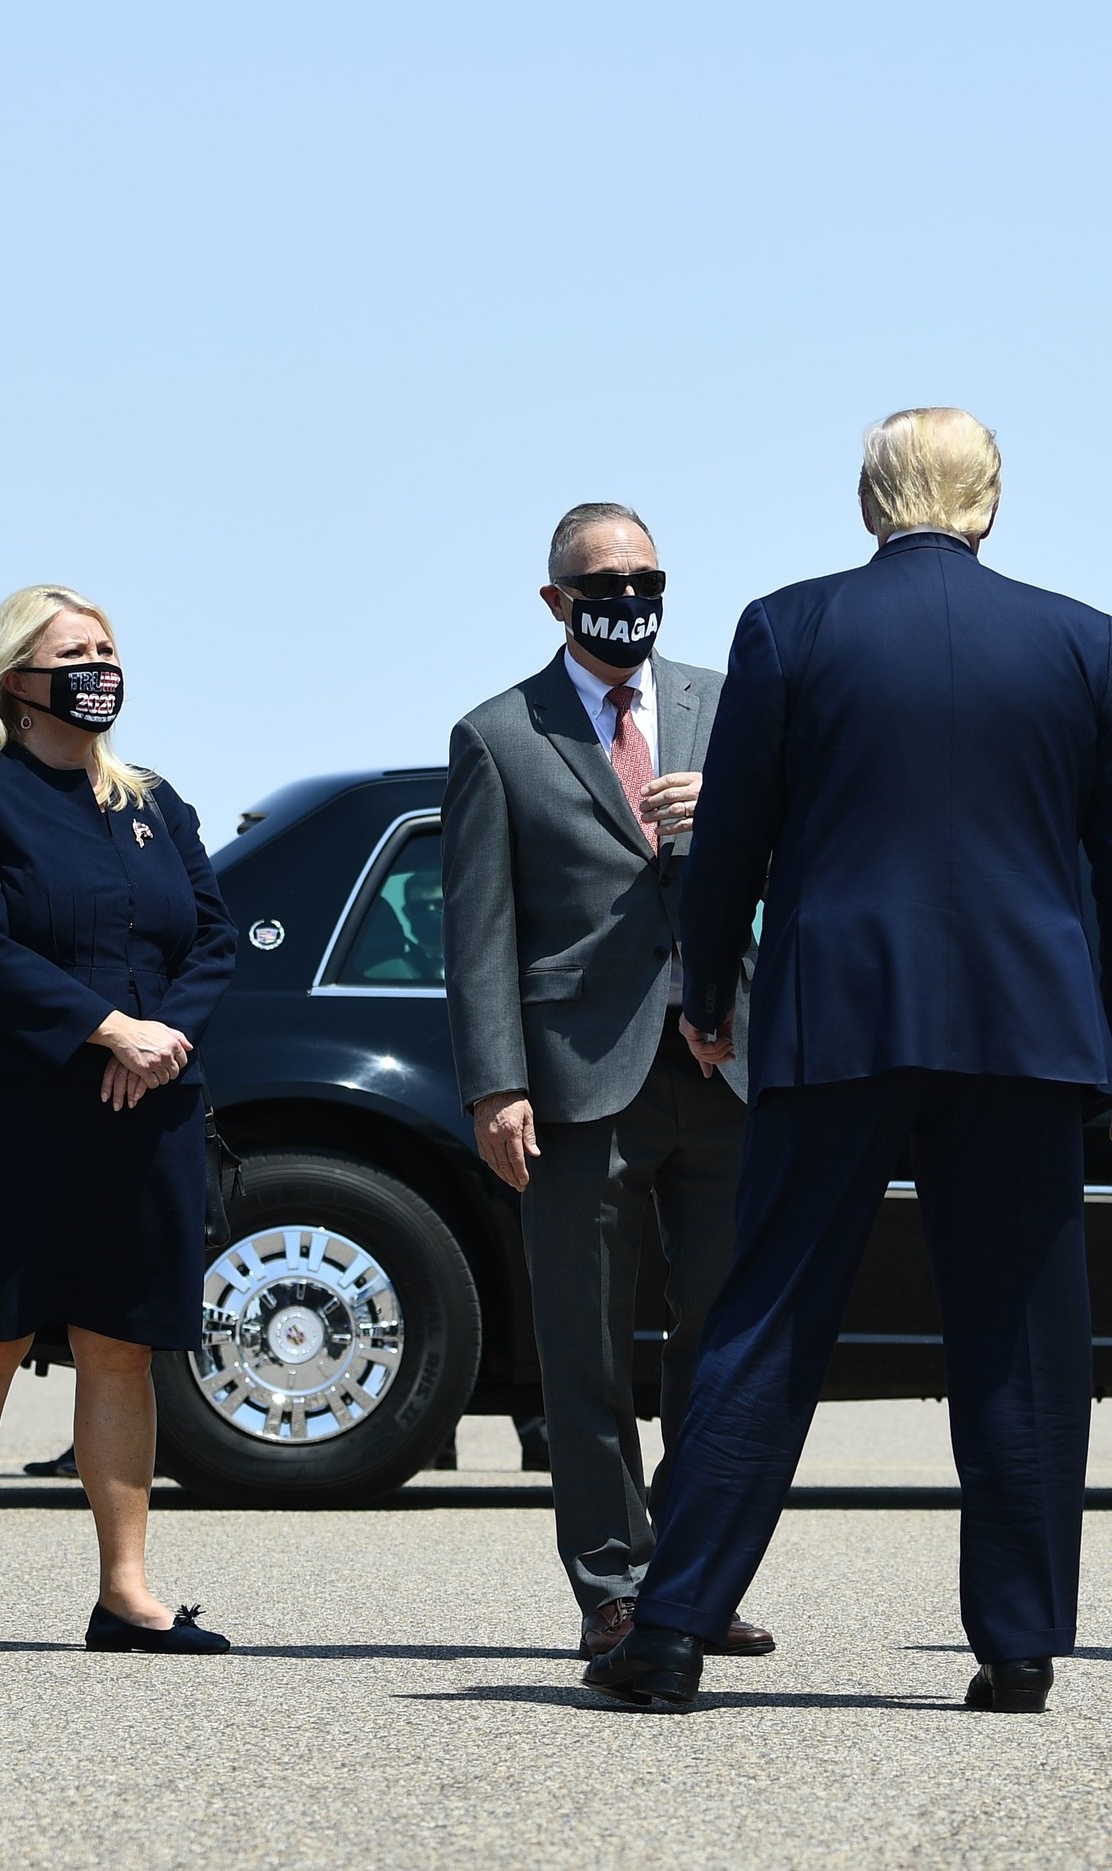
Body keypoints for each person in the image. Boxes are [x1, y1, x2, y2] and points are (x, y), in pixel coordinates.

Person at [583, 408, 1112, 1713]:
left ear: (869, 503)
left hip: (838, 1014)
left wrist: (709, 985)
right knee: (1022, 1335)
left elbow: (732, 831)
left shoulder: (788, 627)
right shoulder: (1079, 639)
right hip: (1023, 1028)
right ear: (991, 501)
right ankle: (1018, 1648)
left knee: (772, 1313)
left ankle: (672, 1628)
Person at [442, 503, 772, 1661]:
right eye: (601, 581)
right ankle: (613, 1586)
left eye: (645, 576)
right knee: (586, 1350)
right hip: (579, 1081)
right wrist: (496, 1083)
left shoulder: (728, 702)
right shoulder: (498, 734)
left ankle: (697, 1576)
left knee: (724, 1345)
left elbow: (809, 845)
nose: (626, 596)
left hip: (725, 1064)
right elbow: (477, 930)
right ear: (555, 601)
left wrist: (734, 822)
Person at [0, 585, 236, 1660]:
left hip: (145, 1110)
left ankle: (126, 1592)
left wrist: (162, 1039)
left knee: (123, 1348)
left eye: (108, 648)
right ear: (19, 681)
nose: (99, 665)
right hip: (14, 1110)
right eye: (74, 652)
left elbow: (212, 938)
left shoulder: (154, 800)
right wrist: (105, 1030)